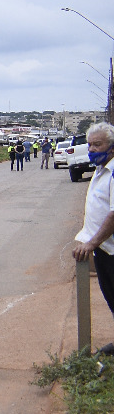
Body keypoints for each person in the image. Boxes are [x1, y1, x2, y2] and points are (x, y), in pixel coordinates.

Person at [72, 123, 114, 355]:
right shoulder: (101, 170)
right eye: (89, 144)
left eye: (98, 144)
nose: (91, 149)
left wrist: (91, 242)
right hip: (105, 250)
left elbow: (113, 215)